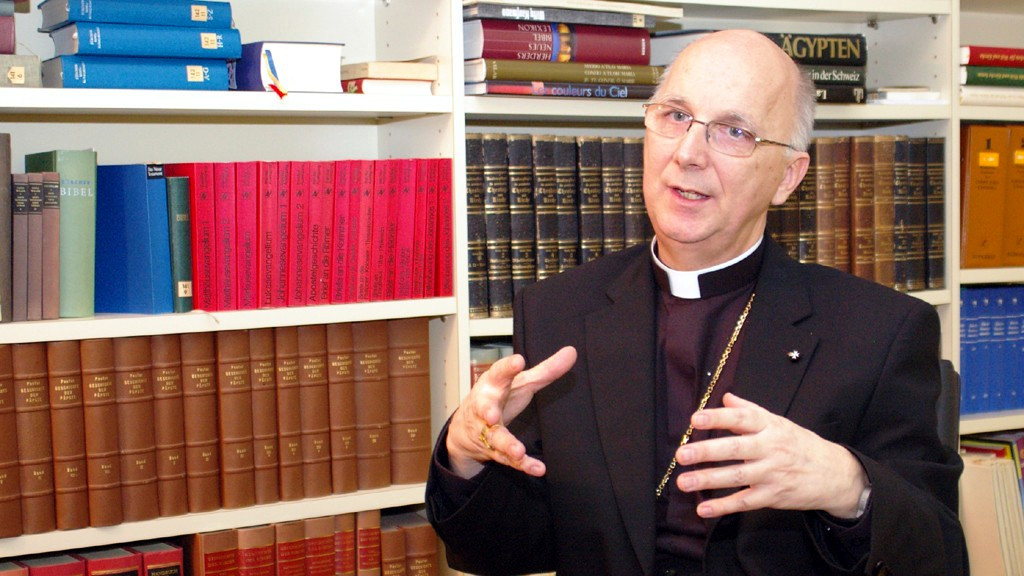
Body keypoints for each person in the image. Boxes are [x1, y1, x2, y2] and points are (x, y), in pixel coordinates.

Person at [426, 29, 967, 576]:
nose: (688, 153)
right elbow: (507, 550)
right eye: (675, 116)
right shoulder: (559, 312)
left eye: (734, 131)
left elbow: (941, 557)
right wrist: (464, 456)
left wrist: (848, 485)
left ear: (788, 177)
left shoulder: (880, 331)